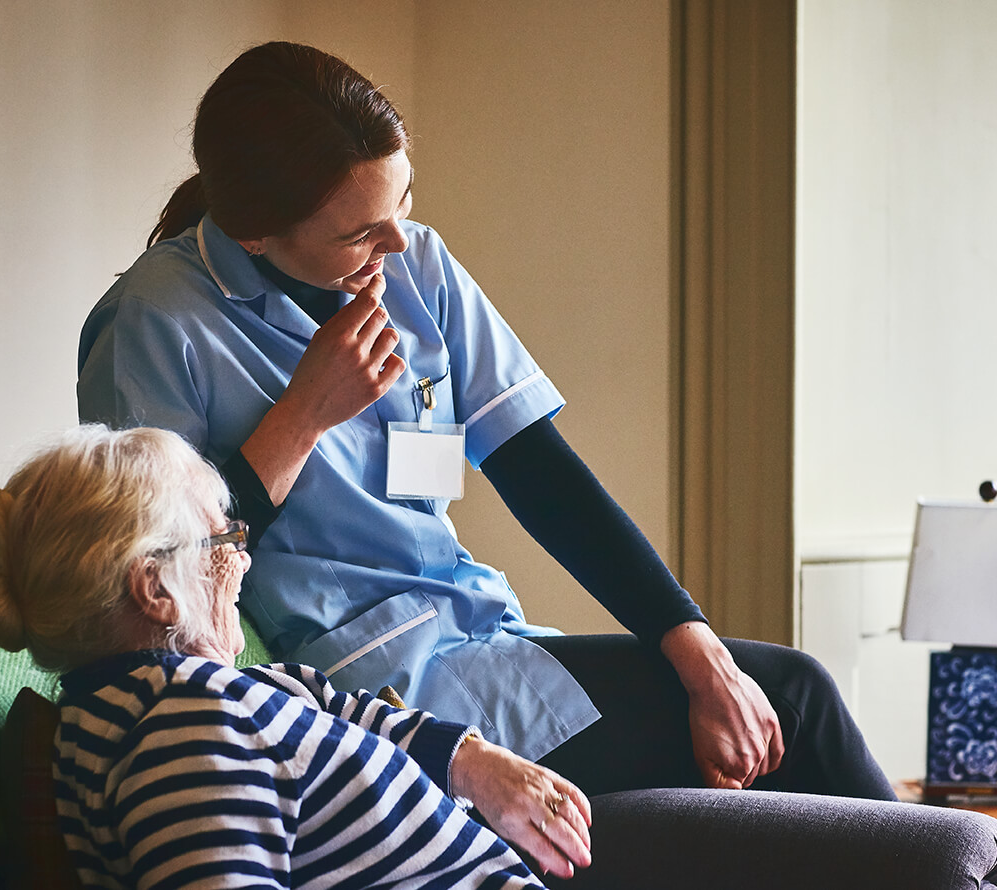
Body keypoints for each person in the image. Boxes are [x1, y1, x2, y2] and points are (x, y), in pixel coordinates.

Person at [77, 40, 895, 803]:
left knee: (762, 697)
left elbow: (540, 473)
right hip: (365, 690)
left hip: (483, 632)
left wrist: (697, 647)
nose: (398, 242)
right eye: (361, 231)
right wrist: (301, 418)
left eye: (403, 201)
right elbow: (161, 581)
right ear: (256, 233)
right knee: (797, 696)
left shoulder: (415, 264)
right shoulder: (155, 321)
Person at [0, 423, 593, 887]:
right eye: (222, 537)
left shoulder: (212, 699)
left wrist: (470, 762)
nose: (241, 559)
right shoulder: (187, 735)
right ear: (157, 589)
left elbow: (341, 710)